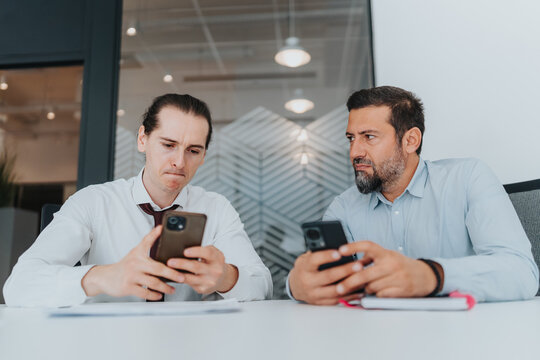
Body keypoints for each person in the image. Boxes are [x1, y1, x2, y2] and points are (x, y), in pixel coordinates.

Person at [3, 94, 272, 307]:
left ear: (203, 156)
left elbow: (262, 285)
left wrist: (226, 277)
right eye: (168, 145)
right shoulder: (92, 202)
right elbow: (19, 286)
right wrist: (103, 276)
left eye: (193, 150)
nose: (179, 162)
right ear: (143, 139)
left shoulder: (216, 208)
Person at [288, 86, 539, 305]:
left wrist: (432, 275)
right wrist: (296, 285)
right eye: (351, 138)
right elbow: (325, 276)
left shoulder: (468, 178)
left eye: (369, 137)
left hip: (465, 339)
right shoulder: (343, 207)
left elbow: (522, 273)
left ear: (410, 140)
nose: (355, 151)